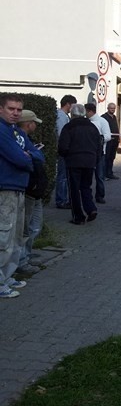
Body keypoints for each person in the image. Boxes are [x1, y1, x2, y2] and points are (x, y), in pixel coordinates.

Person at [0, 93, 44, 298]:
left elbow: (38, 156)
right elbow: (20, 158)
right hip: (5, 189)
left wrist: (29, 156)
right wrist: (28, 158)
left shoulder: (17, 132)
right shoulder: (1, 131)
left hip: (19, 189)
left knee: (17, 237)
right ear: (1, 109)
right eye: (11, 109)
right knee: (4, 237)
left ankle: (7, 277)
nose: (16, 113)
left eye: (19, 109)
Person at [58, 104, 102, 225]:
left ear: (72, 114)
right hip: (90, 162)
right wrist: (96, 160)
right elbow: (99, 146)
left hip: (74, 162)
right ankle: (91, 209)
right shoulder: (93, 127)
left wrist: (65, 156)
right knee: (86, 187)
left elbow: (63, 147)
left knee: (74, 190)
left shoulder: (68, 127)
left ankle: (78, 217)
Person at [17, 110, 47, 275]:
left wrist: (33, 154)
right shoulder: (18, 139)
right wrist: (32, 155)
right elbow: (24, 160)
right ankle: (21, 261)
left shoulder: (27, 140)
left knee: (34, 226)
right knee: (26, 228)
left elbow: (39, 157)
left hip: (36, 192)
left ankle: (25, 257)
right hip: (29, 190)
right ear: (28, 124)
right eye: (34, 122)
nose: (36, 125)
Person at [85, 103, 111, 204]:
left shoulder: (102, 121)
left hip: (100, 153)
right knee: (87, 176)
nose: (85, 114)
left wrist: (98, 140)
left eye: (86, 112)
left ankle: (100, 195)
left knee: (99, 176)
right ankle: (87, 195)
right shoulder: (86, 122)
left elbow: (108, 136)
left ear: (90, 111)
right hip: (88, 153)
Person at [55, 94, 76, 208]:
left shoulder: (64, 116)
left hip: (63, 149)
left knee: (64, 176)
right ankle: (61, 200)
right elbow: (62, 135)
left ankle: (63, 198)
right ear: (68, 104)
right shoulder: (61, 117)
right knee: (62, 176)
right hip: (63, 151)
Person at [102, 102, 120, 180]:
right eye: (111, 108)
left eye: (114, 108)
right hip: (108, 141)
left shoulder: (114, 117)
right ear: (108, 108)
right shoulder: (104, 117)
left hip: (114, 141)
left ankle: (110, 173)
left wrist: (118, 136)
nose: (112, 110)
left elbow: (116, 127)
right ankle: (104, 174)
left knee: (112, 157)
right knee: (106, 157)